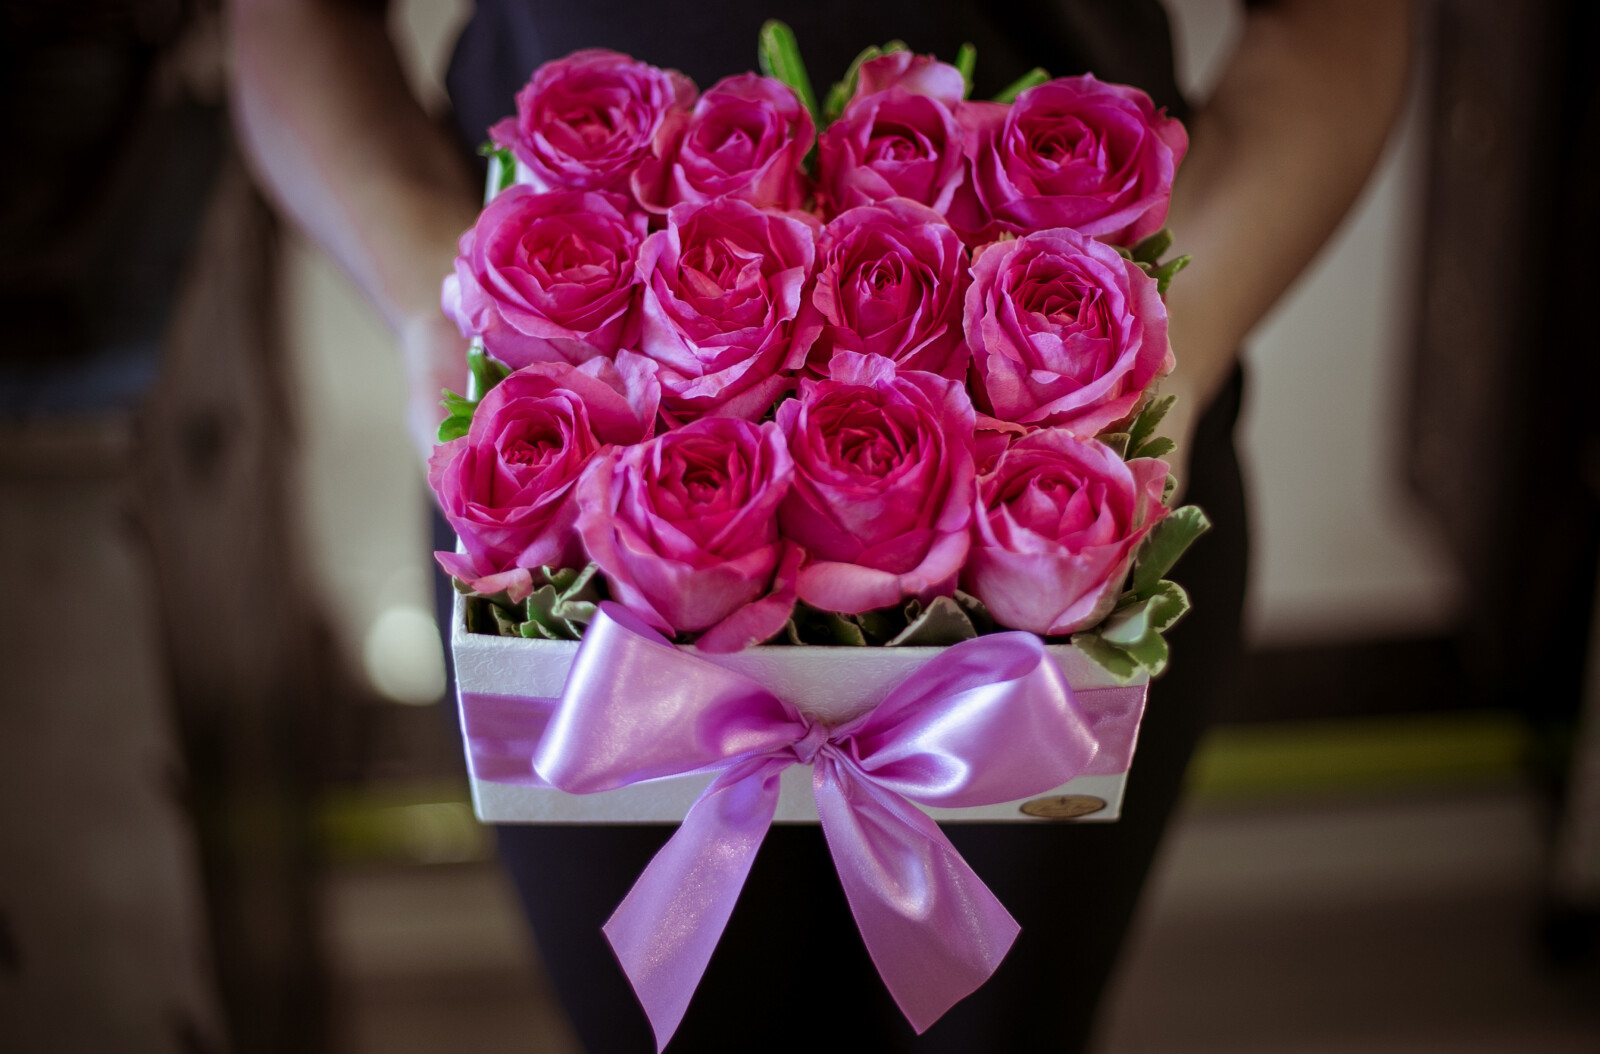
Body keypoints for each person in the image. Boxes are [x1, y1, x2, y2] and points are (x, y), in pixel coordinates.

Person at [229, 1, 1409, 1049]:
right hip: (592, 613)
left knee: (994, 1025)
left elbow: (1337, 23)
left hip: (1051, 593)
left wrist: (1167, 356)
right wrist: (435, 309)